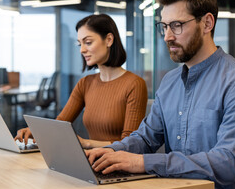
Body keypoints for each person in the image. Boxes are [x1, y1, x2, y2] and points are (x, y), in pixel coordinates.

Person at [86, 0, 235, 189]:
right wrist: (109, 153)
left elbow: (228, 163)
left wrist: (142, 163)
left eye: (177, 25)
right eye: (164, 26)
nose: (167, 36)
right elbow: (146, 138)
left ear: (207, 24)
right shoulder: (170, 82)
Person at [15, 14, 148, 149]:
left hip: (119, 165)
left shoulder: (134, 84)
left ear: (108, 40)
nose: (82, 50)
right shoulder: (85, 83)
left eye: (88, 42)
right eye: (80, 44)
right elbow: (61, 123)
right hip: (92, 161)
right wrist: (37, 131)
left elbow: (131, 143)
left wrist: (86, 143)